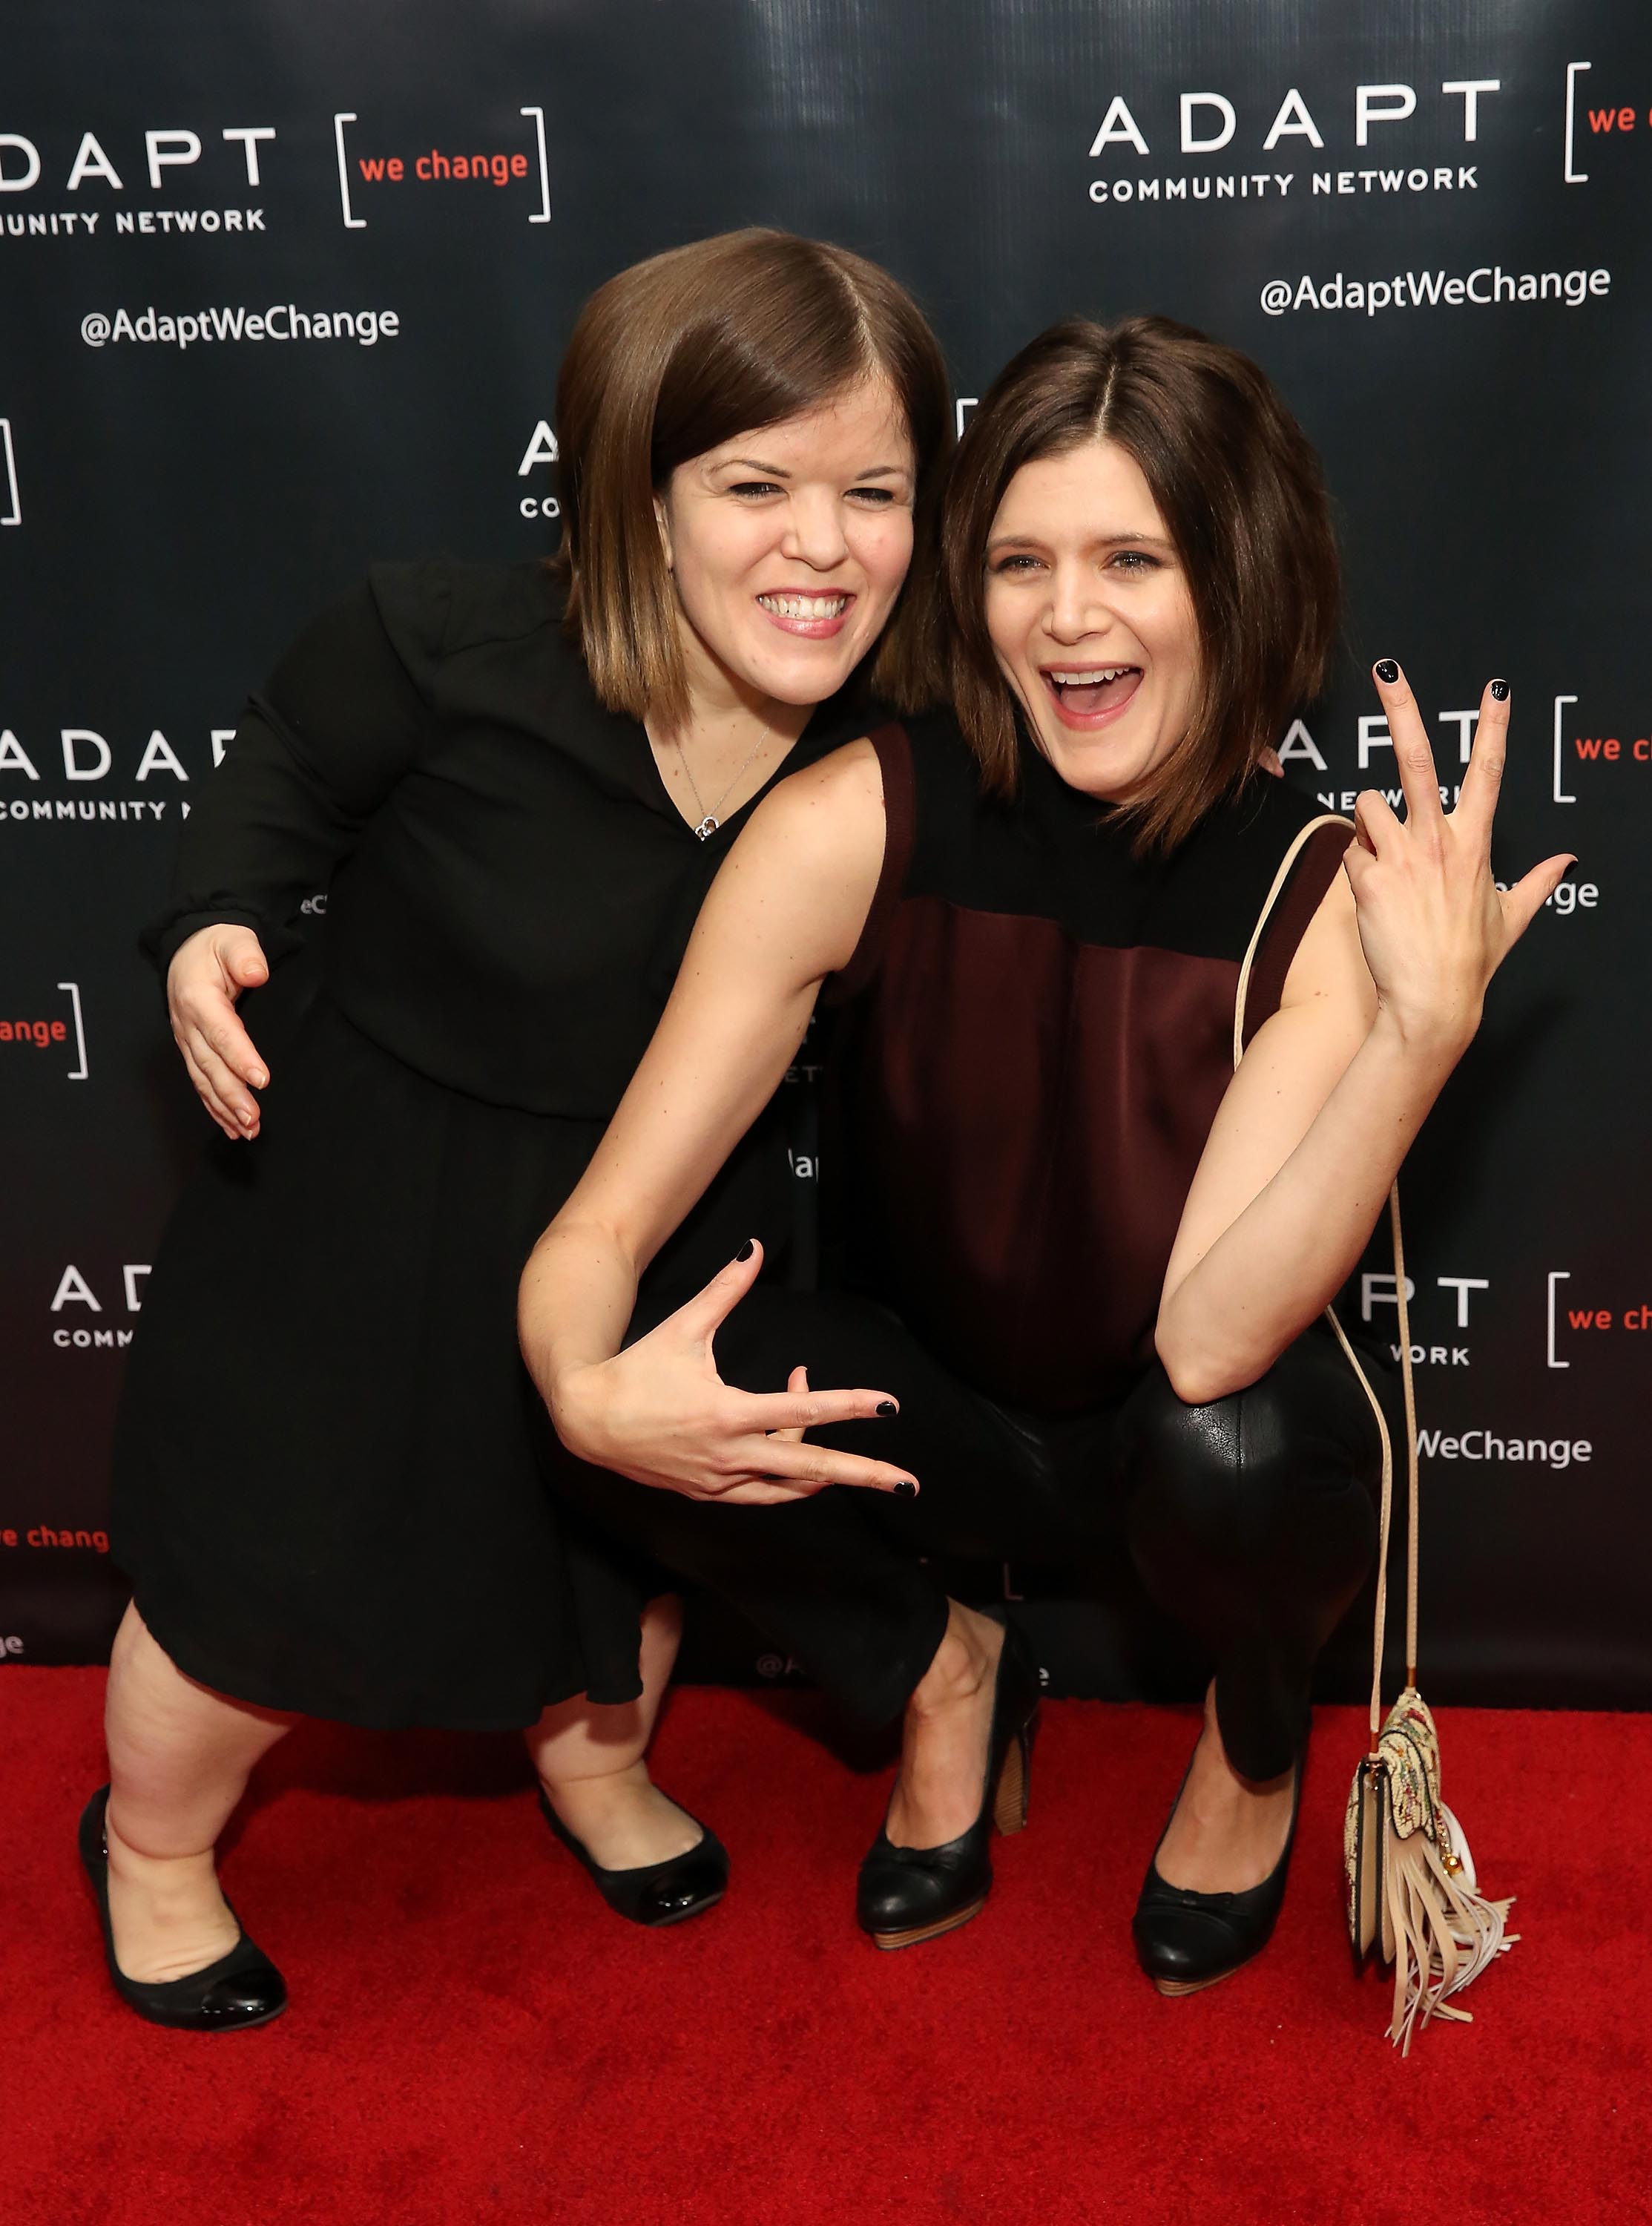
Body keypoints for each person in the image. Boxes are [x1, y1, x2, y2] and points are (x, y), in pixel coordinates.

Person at [518, 315, 1573, 1995]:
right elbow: (598, 1231)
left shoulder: (1320, 891)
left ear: (1235, 576)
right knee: (615, 1359)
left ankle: (1250, 1748)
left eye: (1130, 559)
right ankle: (941, 1668)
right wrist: (583, 1391)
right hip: (935, 1420)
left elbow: (1208, 1343)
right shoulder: (853, 817)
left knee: (1234, 1442)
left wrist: (1417, 1036)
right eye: (1020, 562)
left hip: (1185, 1442)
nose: (1067, 616)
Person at [88, 228, 953, 2031]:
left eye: (874, 491)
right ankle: (155, 1851)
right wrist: (209, 925)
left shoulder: (893, 751)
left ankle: (592, 1766)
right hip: (363, 1199)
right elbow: (277, 776)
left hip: (655, 1204)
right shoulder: (444, 646)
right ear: (641, 494)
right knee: (265, 1576)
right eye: (757, 485)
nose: (823, 543)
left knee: (623, 1551)